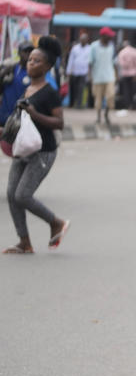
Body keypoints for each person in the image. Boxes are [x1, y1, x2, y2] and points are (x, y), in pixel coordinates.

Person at [3, 36, 70, 255]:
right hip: (24, 148)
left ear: (48, 66)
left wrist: (34, 113)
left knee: (23, 195)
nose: (31, 63)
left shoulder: (50, 92)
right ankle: (24, 242)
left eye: (37, 61)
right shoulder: (28, 89)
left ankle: (56, 223)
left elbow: (59, 123)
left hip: (43, 152)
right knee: (12, 194)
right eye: (30, 60)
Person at [0, 42, 35, 126]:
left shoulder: (34, 72)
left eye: (30, 51)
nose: (28, 54)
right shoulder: (10, 69)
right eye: (25, 51)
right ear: (19, 53)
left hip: (21, 120)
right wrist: (2, 74)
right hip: (4, 117)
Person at [89, 27, 117, 126]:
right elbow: (90, 62)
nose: (111, 37)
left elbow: (114, 62)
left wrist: (116, 75)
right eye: (109, 35)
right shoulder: (94, 46)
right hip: (97, 77)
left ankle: (106, 114)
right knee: (98, 99)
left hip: (110, 76)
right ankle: (98, 117)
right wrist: (90, 76)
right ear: (103, 36)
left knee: (111, 96)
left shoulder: (111, 46)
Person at [65, 33, 91, 109]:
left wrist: (89, 73)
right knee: (73, 88)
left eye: (84, 39)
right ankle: (72, 103)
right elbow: (71, 60)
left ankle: (79, 104)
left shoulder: (89, 49)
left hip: (84, 72)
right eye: (82, 39)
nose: (83, 41)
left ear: (87, 40)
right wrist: (68, 71)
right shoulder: (75, 48)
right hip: (74, 71)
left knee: (81, 88)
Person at [116, 41, 136, 112]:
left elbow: (121, 64)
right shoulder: (135, 51)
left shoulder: (122, 52)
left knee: (126, 91)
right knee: (134, 91)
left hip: (125, 74)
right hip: (134, 74)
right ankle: (134, 106)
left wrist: (127, 66)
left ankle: (128, 106)